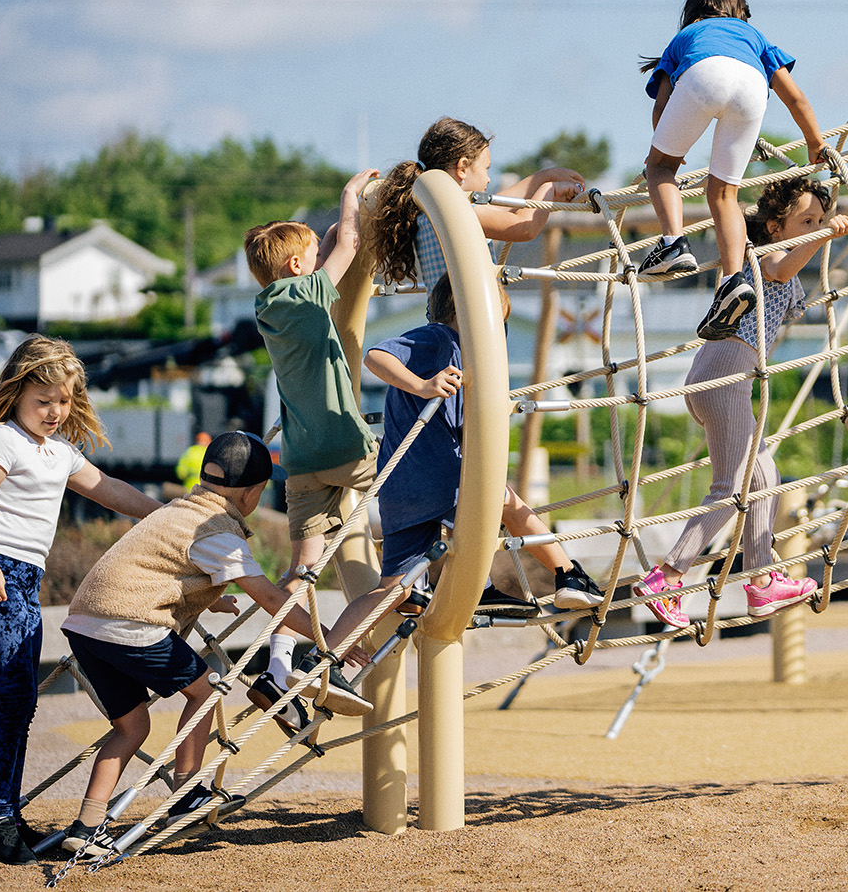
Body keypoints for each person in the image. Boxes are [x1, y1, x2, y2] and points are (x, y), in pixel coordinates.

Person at [57, 431, 366, 858]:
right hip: (130, 621)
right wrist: (329, 639)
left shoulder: (180, 510)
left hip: (85, 623)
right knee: (207, 688)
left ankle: (87, 825)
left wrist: (211, 596)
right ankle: (186, 792)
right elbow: (273, 599)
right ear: (252, 494)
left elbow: (160, 562)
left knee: (131, 728)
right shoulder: (219, 532)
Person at [0, 336, 160, 865]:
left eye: (64, 401)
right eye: (43, 400)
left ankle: (2, 812)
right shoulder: (1, 440)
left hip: (25, 579)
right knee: (15, 695)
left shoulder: (58, 451)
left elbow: (110, 489)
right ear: (16, 392)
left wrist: (165, 514)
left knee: (20, 698)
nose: (54, 412)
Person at [318, 276, 606, 646]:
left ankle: (327, 657)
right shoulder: (440, 338)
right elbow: (377, 356)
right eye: (496, 323)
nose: (496, 334)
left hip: (401, 489)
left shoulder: (462, 360)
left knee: (393, 588)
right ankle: (567, 573)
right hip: (436, 478)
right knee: (506, 504)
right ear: (467, 313)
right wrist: (423, 385)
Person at [633, 176, 848, 627]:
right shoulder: (759, 255)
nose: (814, 226)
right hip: (723, 378)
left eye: (818, 219)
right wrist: (825, 235)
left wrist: (831, 237)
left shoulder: (786, 258)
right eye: (805, 221)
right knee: (729, 489)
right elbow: (782, 270)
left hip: (727, 380)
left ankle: (762, 581)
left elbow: (790, 295)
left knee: (765, 478)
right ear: (774, 227)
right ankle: (668, 575)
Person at [242, 168, 381, 724]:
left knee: (302, 570)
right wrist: (350, 199)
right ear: (298, 268)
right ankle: (408, 584)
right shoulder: (307, 292)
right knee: (411, 516)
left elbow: (323, 259)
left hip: (299, 463)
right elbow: (346, 244)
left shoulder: (270, 304)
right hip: (345, 445)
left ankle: (276, 666)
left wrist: (316, 247)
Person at [637, 0, 828, 341]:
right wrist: (814, 142)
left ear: (694, 12)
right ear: (739, 12)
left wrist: (671, 151)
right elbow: (796, 97)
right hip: (753, 88)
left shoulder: (684, 37)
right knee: (725, 195)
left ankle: (673, 243)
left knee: (658, 168)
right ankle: (732, 279)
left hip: (702, 77)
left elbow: (662, 108)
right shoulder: (754, 37)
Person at [369, 116, 586, 293]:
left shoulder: (431, 211)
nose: (488, 179)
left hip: (445, 323)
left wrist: (542, 177)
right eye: (486, 168)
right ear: (463, 168)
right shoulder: (459, 213)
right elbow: (524, 226)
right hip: (469, 325)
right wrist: (550, 189)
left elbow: (499, 206)